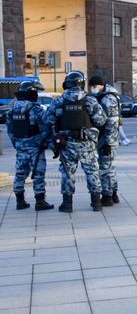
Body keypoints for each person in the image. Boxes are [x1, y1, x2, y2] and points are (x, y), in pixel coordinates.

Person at [42, 71, 107, 212]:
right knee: (92, 172)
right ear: (82, 84)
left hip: (66, 144)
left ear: (67, 84)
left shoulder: (58, 101)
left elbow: (47, 120)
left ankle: (67, 204)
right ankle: (96, 203)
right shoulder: (90, 100)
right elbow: (101, 120)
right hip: (87, 144)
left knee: (67, 173)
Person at [8, 80, 54, 211]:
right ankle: (40, 201)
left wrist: (17, 144)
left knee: (20, 173)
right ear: (31, 93)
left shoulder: (12, 110)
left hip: (21, 147)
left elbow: (10, 131)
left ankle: (20, 201)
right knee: (38, 173)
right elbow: (45, 129)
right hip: (36, 148)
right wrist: (50, 145)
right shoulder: (36, 109)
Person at [88, 76, 122, 206]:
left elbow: (111, 123)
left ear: (96, 85)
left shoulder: (108, 99)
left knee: (105, 167)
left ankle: (107, 196)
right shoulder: (108, 96)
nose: (91, 90)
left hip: (107, 139)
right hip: (107, 138)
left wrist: (107, 142)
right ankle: (113, 194)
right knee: (110, 166)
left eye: (92, 87)